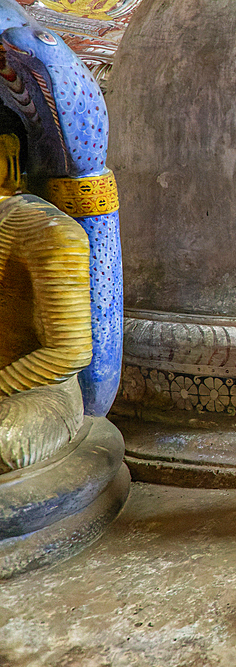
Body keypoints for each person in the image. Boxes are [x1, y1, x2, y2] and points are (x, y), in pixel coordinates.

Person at [0, 130, 92, 473]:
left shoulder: (46, 229)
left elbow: (69, 352)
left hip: (32, 393)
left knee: (3, 442)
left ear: (8, 155)